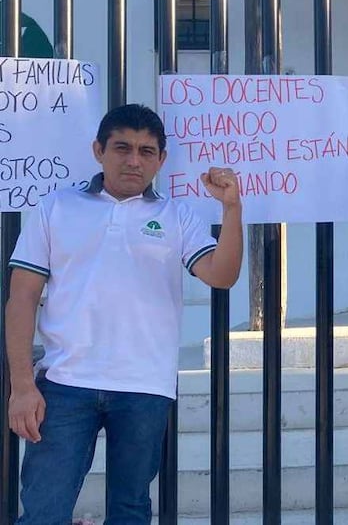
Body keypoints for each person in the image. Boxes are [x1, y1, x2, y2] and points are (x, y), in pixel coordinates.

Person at [5, 103, 244, 524]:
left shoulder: (177, 215)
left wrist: (231, 210)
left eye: (147, 151)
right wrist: (22, 385)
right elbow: (22, 297)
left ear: (161, 160)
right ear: (98, 150)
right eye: (122, 147)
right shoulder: (56, 207)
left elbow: (221, 276)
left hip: (143, 386)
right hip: (64, 384)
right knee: (43, 510)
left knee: (130, 511)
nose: (134, 160)